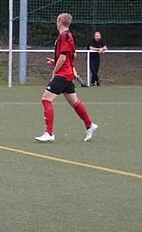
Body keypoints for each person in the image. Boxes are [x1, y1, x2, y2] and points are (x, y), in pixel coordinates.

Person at [35, 13, 98, 143]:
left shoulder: (64, 36)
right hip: (68, 73)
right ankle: (89, 125)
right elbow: (72, 55)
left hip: (63, 74)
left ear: (59, 22)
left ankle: (49, 133)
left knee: (46, 99)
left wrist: (55, 71)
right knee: (74, 102)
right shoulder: (68, 35)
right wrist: (56, 61)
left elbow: (64, 57)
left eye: (56, 21)